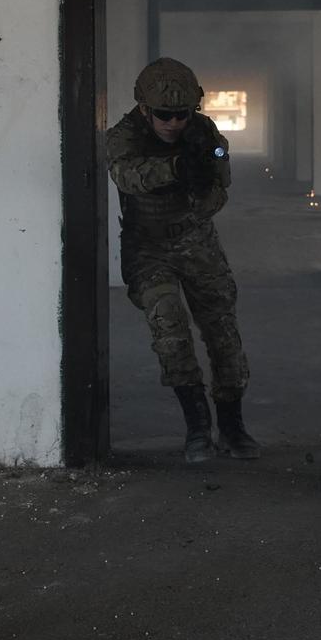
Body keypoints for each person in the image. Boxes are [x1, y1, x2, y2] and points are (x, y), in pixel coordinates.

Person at [107, 57, 260, 463]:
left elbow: (220, 187)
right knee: (169, 327)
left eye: (182, 115)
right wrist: (175, 168)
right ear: (144, 109)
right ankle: (197, 427)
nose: (174, 123)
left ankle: (231, 426)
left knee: (223, 334)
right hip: (148, 246)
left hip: (196, 240)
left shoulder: (202, 131)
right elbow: (126, 175)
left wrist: (202, 186)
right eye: (164, 115)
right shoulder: (126, 135)